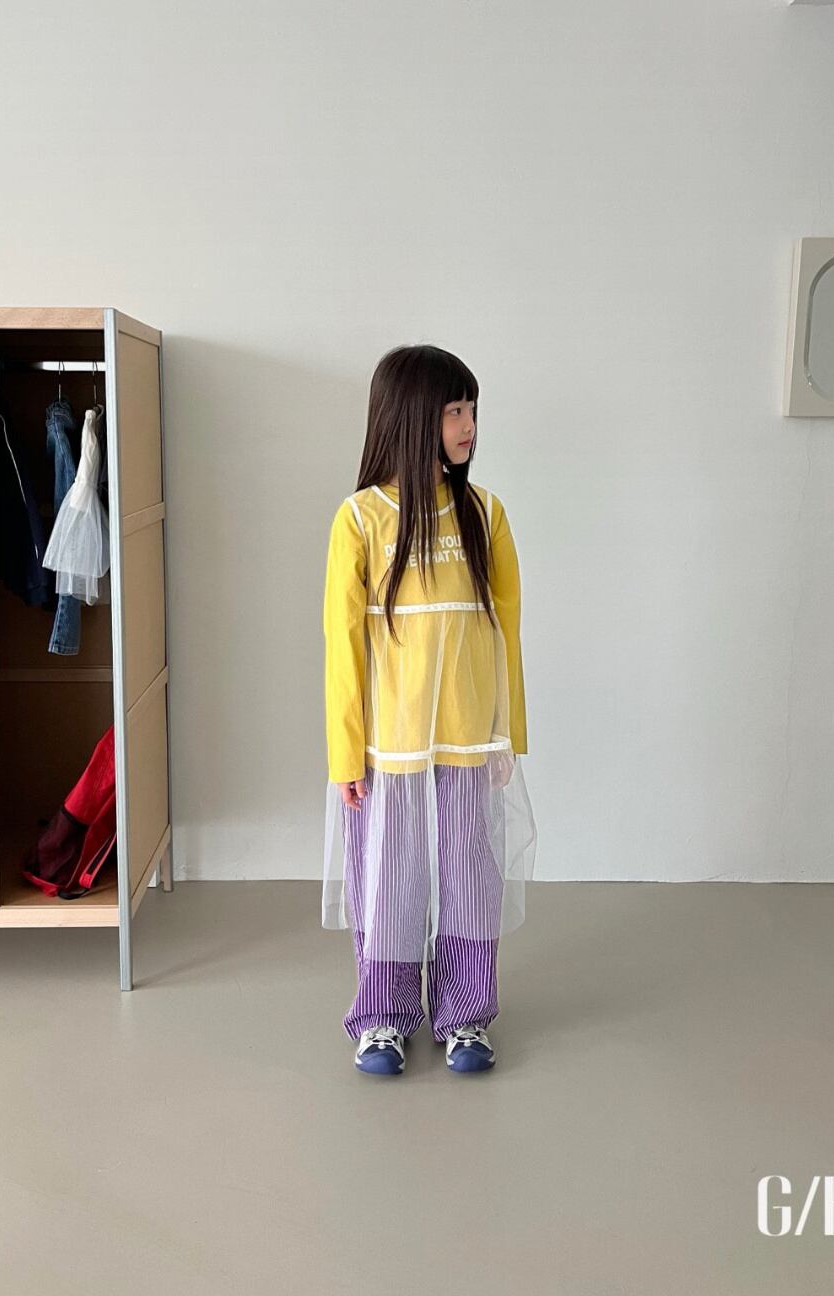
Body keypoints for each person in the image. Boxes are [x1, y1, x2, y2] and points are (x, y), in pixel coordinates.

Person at [322, 343, 538, 1077]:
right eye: (454, 411)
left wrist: (507, 735)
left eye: (471, 409)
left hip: (470, 740)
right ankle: (382, 1017)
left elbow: (506, 630)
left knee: (471, 873)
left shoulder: (485, 513)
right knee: (389, 875)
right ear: (414, 417)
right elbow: (343, 647)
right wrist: (345, 754)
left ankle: (466, 1014)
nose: (469, 425)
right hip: (388, 746)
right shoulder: (361, 519)